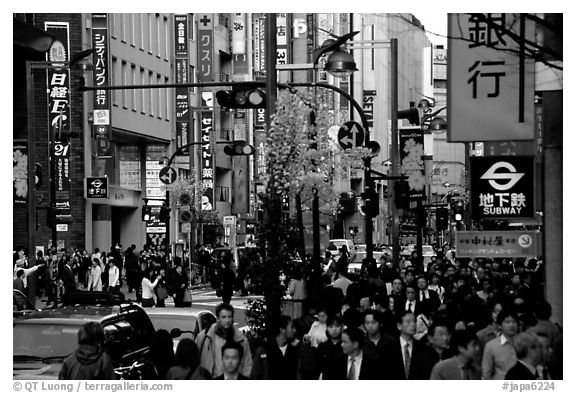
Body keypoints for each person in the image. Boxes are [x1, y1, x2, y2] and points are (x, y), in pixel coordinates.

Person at [197, 303, 252, 377]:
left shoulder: (241, 340)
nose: (227, 320)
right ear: (217, 318)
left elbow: (247, 366)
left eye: (229, 317)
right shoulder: (204, 336)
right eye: (223, 317)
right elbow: (195, 360)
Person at [251, 315, 300, 380]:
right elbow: (255, 376)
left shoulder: (294, 350)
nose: (295, 330)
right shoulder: (264, 350)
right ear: (282, 330)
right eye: (292, 327)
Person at [383, 310, 425, 380]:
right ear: (399, 326)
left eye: (414, 321)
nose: (413, 324)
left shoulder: (422, 348)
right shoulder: (387, 349)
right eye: (408, 322)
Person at [482, 308, 519, 380]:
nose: (511, 325)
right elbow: (486, 374)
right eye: (507, 322)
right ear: (499, 325)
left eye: (514, 322)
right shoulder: (491, 346)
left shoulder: (525, 343)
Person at [317, 315, 344, 379]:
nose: (334, 329)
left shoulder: (346, 346)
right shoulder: (322, 346)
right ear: (327, 328)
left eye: (337, 326)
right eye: (331, 327)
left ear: (342, 328)